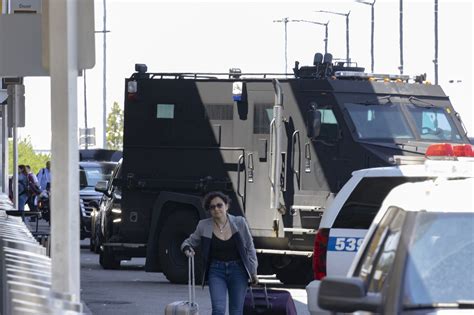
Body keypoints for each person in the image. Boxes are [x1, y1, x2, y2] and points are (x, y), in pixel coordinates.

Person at [181, 191, 258, 315]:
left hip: (238, 270)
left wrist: (253, 271)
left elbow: (250, 247)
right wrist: (187, 249)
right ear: (209, 210)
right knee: (218, 310)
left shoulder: (239, 222)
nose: (216, 209)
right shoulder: (204, 226)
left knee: (236, 311)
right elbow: (188, 242)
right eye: (212, 207)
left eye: (219, 205)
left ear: (226, 206)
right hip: (216, 271)